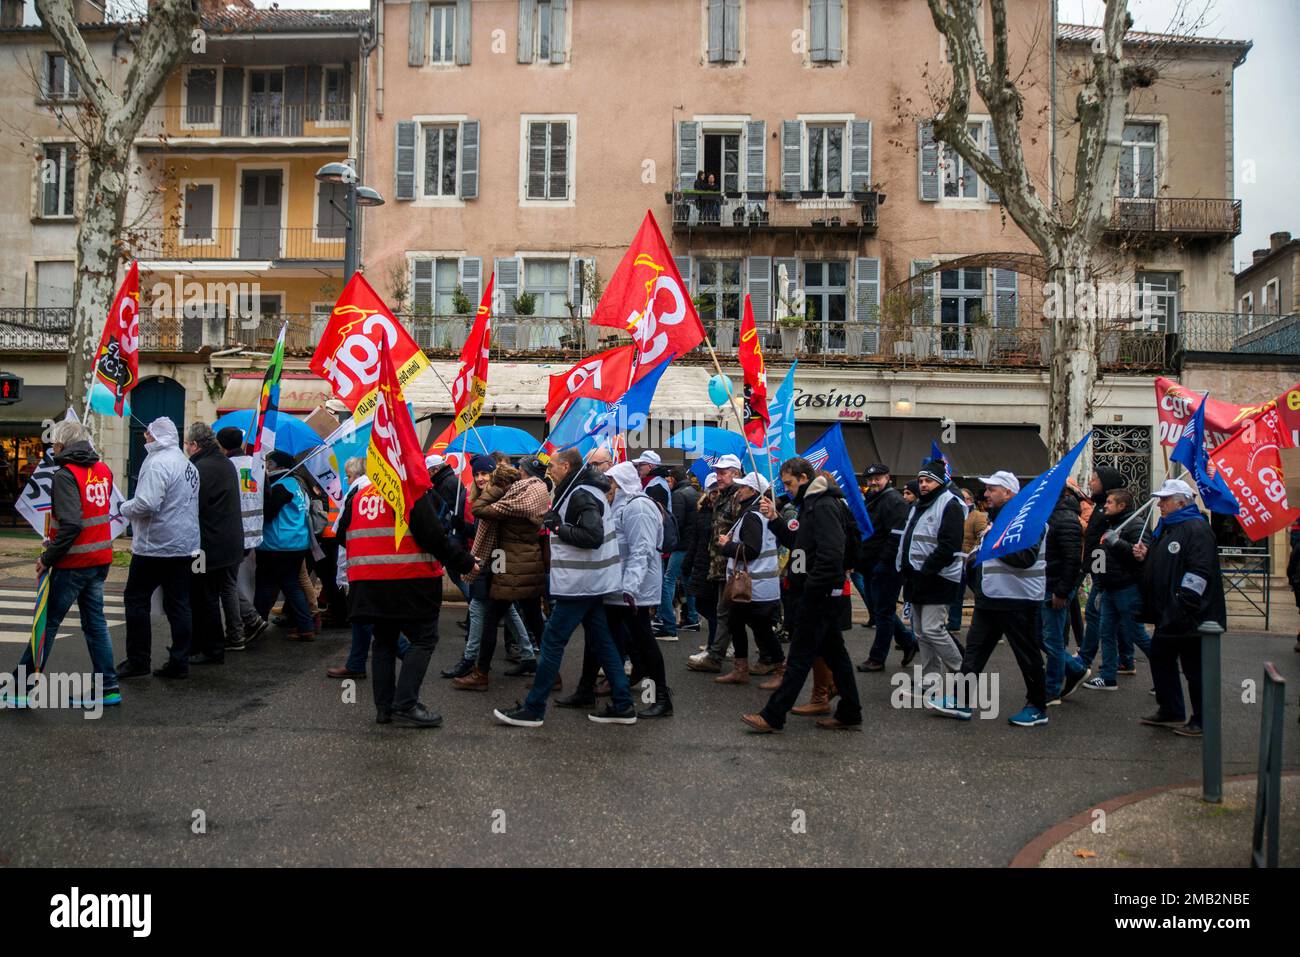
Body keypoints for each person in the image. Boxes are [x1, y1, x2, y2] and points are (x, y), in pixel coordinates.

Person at [493, 448, 637, 728]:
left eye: (554, 466)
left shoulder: (581, 493)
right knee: (604, 643)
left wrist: (557, 528)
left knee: (552, 642)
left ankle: (534, 709)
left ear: (567, 466)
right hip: (590, 582)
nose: (550, 471)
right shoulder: (584, 490)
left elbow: (592, 536)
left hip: (580, 584)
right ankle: (624, 704)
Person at [339, 472, 477, 727]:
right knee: (424, 639)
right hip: (409, 581)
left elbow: (341, 534)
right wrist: (465, 562)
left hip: (369, 583)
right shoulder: (409, 493)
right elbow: (435, 537)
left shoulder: (360, 495)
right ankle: (405, 703)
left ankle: (384, 709)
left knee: (383, 642)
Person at [742, 459, 862, 732]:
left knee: (799, 657)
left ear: (805, 478)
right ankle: (850, 711)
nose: (787, 489)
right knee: (836, 656)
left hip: (818, 595)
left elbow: (831, 554)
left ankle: (773, 715)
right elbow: (799, 545)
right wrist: (774, 520)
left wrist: (811, 590)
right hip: (819, 593)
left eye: (789, 484)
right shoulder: (812, 505)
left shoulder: (823, 506)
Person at [14, 420, 118, 703]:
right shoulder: (102, 469)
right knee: (95, 623)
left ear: (61, 445)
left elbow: (72, 523)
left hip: (73, 562)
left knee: (46, 623)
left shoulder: (65, 475)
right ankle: (108, 687)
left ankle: (20, 690)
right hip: (100, 558)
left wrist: (47, 557)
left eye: (54, 444)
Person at [934, 470, 1049, 727]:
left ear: (1008, 493)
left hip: (1018, 599)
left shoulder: (1030, 519)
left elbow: (1025, 558)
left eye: (991, 489)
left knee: (1027, 655)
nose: (985, 494)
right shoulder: (998, 521)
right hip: (991, 597)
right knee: (974, 652)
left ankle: (1037, 707)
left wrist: (993, 543)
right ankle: (961, 701)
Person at [1132, 479, 1225, 737]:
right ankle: (1171, 709)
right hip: (1169, 613)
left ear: (1181, 502)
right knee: (1161, 659)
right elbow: (1167, 562)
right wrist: (1145, 557)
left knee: (1195, 669)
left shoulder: (1195, 528)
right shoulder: (1168, 527)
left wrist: (1184, 602)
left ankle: (1203, 720)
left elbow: (1200, 569)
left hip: (1191, 615)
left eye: (1166, 499)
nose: (1160, 504)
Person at [453, 459, 549, 689]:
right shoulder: (535, 495)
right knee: (535, 620)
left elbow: (478, 508)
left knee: (490, 618)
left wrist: (496, 486)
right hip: (529, 564)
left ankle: (481, 674)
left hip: (509, 566)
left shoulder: (512, 499)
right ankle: (550, 674)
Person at [118, 417, 200, 680]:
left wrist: (123, 508)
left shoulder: (157, 464)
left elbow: (147, 503)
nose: (145, 438)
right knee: (179, 604)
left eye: (148, 434)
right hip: (183, 544)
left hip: (155, 545)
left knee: (136, 600)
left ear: (156, 436)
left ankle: (138, 659)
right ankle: (179, 661)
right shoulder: (186, 464)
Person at [327, 457, 411, 679]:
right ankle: (356, 663)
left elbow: (342, 532)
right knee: (362, 616)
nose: (347, 478)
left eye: (348, 474)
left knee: (370, 617)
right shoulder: (379, 489)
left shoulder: (357, 491)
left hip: (360, 565)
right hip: (373, 563)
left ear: (354, 474)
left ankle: (410, 654)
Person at [600, 461, 671, 717]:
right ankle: (634, 687)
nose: (606, 487)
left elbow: (641, 551)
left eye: (610, 482)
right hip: (625, 588)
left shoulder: (639, 507)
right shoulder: (625, 506)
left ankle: (661, 697)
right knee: (629, 639)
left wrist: (629, 588)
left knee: (644, 640)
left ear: (620, 484)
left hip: (634, 590)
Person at [896, 459, 965, 701]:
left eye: (929, 481)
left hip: (938, 577)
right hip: (916, 576)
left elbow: (949, 545)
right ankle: (929, 680)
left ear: (941, 481)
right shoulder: (918, 504)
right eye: (922, 480)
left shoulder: (950, 504)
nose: (923, 485)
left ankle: (963, 672)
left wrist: (926, 569)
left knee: (933, 629)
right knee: (921, 632)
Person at [715, 471, 786, 685]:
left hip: (754, 586)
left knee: (761, 629)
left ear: (753, 491)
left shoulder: (752, 516)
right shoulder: (758, 514)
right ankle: (741, 669)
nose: (738, 491)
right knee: (737, 623)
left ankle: (781, 670)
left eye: (743, 487)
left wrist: (727, 546)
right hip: (757, 585)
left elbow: (752, 550)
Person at [1079, 487, 1152, 690]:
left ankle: (1163, 672)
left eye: (1110, 502)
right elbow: (1102, 556)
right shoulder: (1111, 524)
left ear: (1121, 505)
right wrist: (1100, 586)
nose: (1105, 506)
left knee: (1138, 634)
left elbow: (1141, 557)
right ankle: (1107, 676)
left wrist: (1118, 542)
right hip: (1110, 588)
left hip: (1127, 588)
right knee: (1106, 633)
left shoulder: (1136, 525)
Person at [185, 422, 244, 667]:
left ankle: (210, 648)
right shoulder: (224, 463)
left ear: (195, 445)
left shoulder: (200, 468)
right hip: (228, 543)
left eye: (187, 444)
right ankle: (207, 644)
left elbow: (192, 507)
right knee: (215, 593)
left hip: (206, 547)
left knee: (203, 597)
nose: (186, 448)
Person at [687, 454, 745, 673]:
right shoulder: (722, 496)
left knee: (732, 614)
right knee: (725, 613)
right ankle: (721, 655)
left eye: (723, 472)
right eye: (718, 472)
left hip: (732, 564)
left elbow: (745, 531)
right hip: (718, 564)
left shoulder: (738, 497)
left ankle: (718, 655)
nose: (719, 476)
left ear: (736, 474)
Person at [857, 464, 918, 672]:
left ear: (887, 478)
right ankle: (909, 642)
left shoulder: (893, 501)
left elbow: (896, 537)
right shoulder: (874, 499)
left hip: (887, 567)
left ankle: (877, 658)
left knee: (883, 612)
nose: (873, 482)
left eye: (877, 478)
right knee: (881, 610)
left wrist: (884, 563)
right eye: (870, 479)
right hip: (871, 565)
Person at [253, 450, 315, 641]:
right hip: (296, 543)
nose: (266, 466)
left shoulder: (280, 486)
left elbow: (268, 514)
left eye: (269, 462)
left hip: (277, 545)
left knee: (264, 586)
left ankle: (256, 623)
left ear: (278, 466)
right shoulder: (296, 484)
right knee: (291, 585)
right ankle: (306, 626)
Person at [216, 426, 268, 651]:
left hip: (234, 532)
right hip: (254, 530)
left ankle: (247, 620)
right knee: (228, 581)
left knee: (225, 583)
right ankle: (246, 621)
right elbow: (267, 496)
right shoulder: (256, 464)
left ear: (222, 445)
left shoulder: (227, 466)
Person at [1074, 467, 1128, 672]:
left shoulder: (1109, 507)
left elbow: (1102, 543)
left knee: (1094, 613)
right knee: (1119, 618)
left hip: (1103, 567)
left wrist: (1096, 569)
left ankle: (1085, 658)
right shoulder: (1099, 505)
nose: (1090, 482)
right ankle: (1126, 659)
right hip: (1099, 566)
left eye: (1094, 479)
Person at [1041, 486, 1088, 705]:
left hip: (1055, 587)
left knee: (1052, 640)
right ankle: (1075, 668)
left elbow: (1072, 561)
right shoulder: (1047, 516)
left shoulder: (1066, 519)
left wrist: (1061, 592)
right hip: (1044, 584)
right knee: (1041, 637)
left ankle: (1051, 690)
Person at [947, 486, 985, 634]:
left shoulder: (977, 516)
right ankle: (954, 623)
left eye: (963, 498)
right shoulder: (954, 514)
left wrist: (971, 554)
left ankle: (984, 625)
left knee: (979, 593)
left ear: (969, 500)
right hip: (955, 561)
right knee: (956, 594)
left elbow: (981, 536)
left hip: (970, 562)